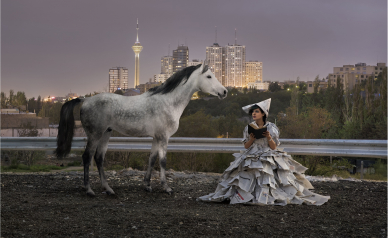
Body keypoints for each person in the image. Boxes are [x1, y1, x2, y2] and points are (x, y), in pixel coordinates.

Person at [198, 98, 330, 206]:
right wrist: (251, 139)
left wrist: (268, 137)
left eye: (256, 111)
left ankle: (265, 195)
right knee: (245, 172)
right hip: (251, 153)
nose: (254, 114)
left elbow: (273, 147)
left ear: (263, 114)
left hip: (268, 154)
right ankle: (245, 195)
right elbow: (246, 146)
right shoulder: (249, 128)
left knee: (267, 173)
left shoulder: (272, 128)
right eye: (253, 112)